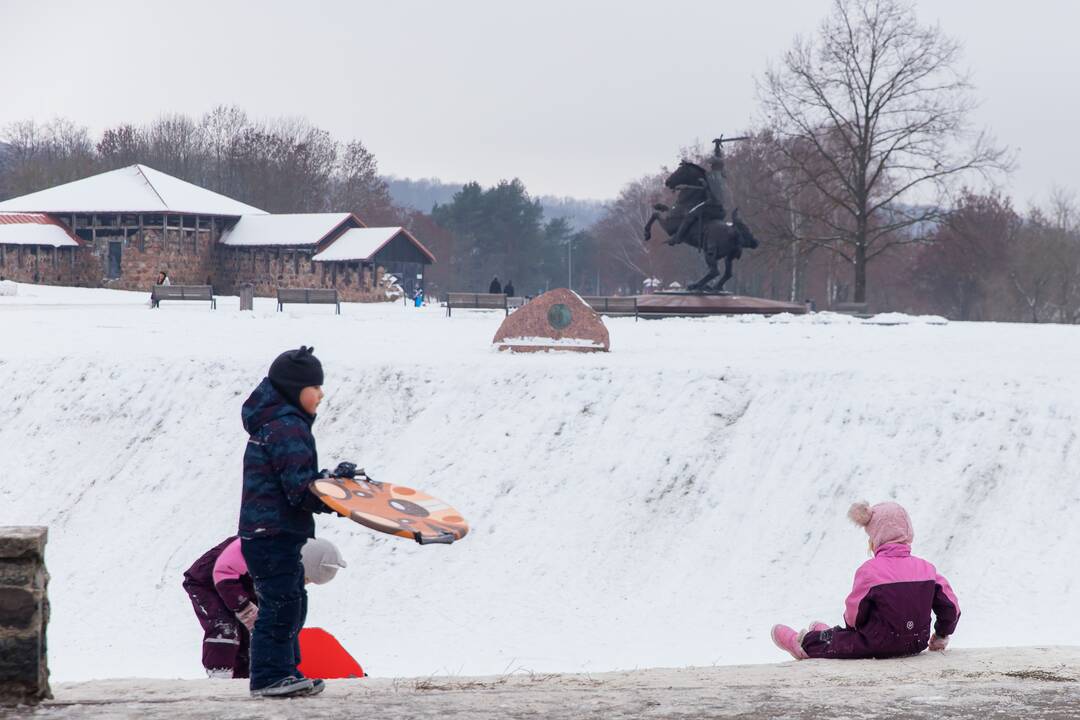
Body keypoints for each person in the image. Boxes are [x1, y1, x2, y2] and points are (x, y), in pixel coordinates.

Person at [239, 345, 353, 698]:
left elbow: (299, 482)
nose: (321, 394)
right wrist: (338, 494)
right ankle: (269, 677)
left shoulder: (282, 424)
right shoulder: (287, 429)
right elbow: (299, 491)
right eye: (314, 386)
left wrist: (331, 481)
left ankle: (285, 672)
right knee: (282, 604)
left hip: (270, 533)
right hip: (272, 532)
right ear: (294, 388)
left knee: (290, 602)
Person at [771, 500, 960, 661]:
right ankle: (828, 635)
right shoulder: (927, 569)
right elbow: (951, 607)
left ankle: (804, 644)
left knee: (843, 639)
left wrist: (851, 630)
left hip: (878, 644)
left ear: (875, 536)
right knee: (848, 637)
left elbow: (854, 616)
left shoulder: (870, 572)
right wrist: (941, 635)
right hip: (916, 643)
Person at [182, 536, 346, 679]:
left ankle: (244, 679)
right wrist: (244, 607)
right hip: (208, 582)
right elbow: (224, 573)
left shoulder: (285, 566)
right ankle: (219, 677)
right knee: (226, 627)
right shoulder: (261, 550)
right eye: (306, 578)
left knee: (255, 630)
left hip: (245, 584)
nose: (305, 583)